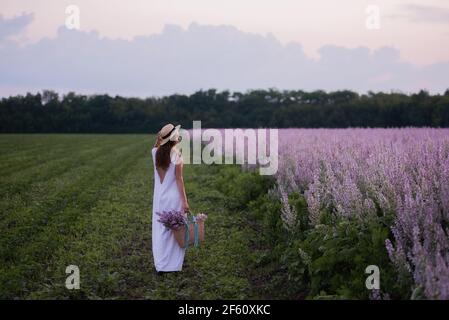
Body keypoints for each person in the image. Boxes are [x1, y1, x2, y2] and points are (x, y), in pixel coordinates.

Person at [151, 123, 189, 273]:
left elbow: (157, 145)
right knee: (176, 229)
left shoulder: (154, 152)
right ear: (175, 139)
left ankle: (161, 264)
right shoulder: (177, 156)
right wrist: (185, 202)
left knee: (160, 230)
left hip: (159, 198)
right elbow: (179, 180)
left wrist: (159, 138)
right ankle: (173, 265)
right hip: (174, 197)